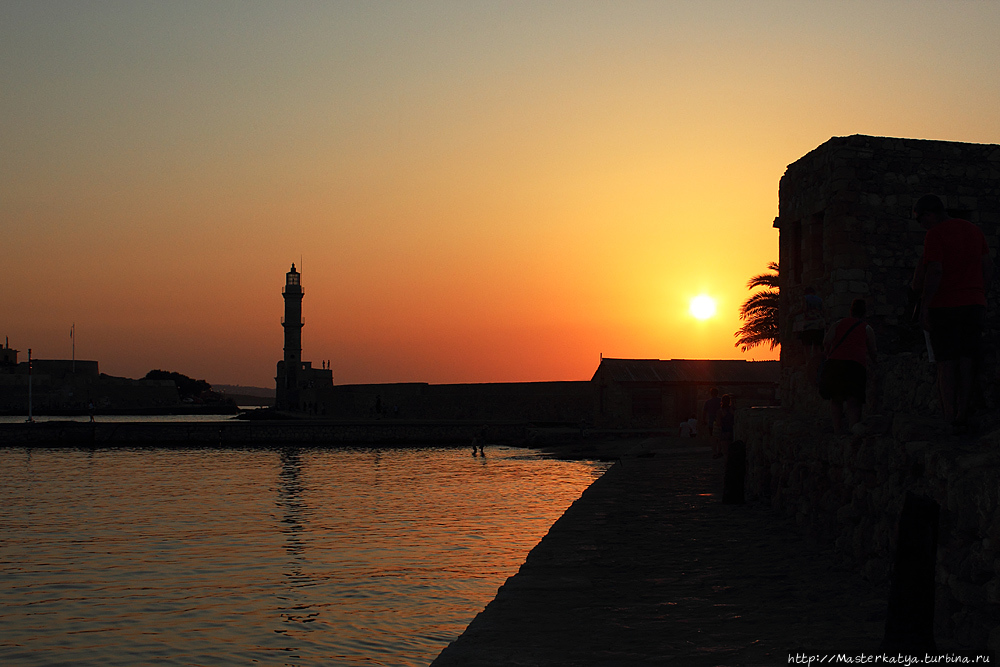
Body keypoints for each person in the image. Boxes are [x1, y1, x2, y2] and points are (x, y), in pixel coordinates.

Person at [910, 194, 993, 434]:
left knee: (945, 363)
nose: (921, 225)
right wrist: (980, 294)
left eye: (919, 219)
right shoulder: (974, 230)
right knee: (967, 360)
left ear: (929, 214)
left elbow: (935, 271)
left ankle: (948, 415)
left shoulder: (935, 234)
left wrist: (925, 307)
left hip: (945, 305)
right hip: (974, 303)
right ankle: (962, 413)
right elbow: (987, 265)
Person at [822, 299, 878, 435]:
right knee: (854, 400)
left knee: (836, 399)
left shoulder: (838, 324)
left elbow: (826, 341)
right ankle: (854, 429)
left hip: (835, 363)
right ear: (864, 313)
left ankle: (837, 431)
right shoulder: (867, 328)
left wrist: (828, 354)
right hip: (855, 366)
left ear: (851, 311)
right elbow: (873, 352)